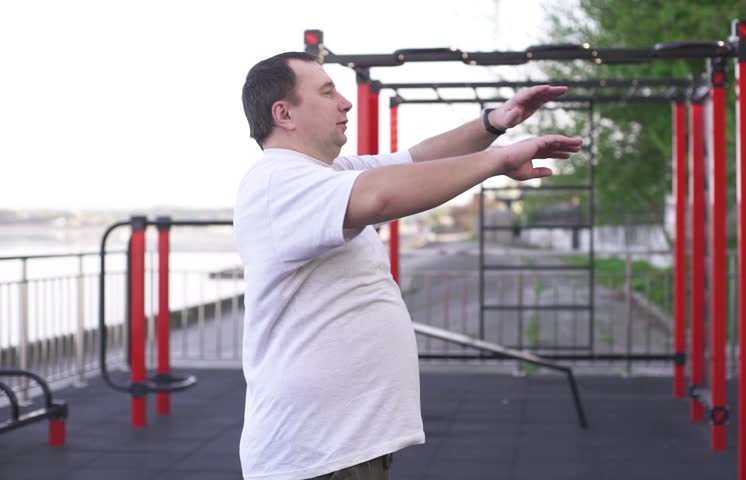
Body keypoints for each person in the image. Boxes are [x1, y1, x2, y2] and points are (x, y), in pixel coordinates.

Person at [235, 51, 582, 480]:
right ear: (284, 113)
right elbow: (380, 195)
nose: (345, 102)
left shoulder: (327, 173)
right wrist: (499, 160)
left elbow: (418, 161)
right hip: (313, 454)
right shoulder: (278, 181)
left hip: (338, 446)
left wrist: (494, 123)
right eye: (327, 92)